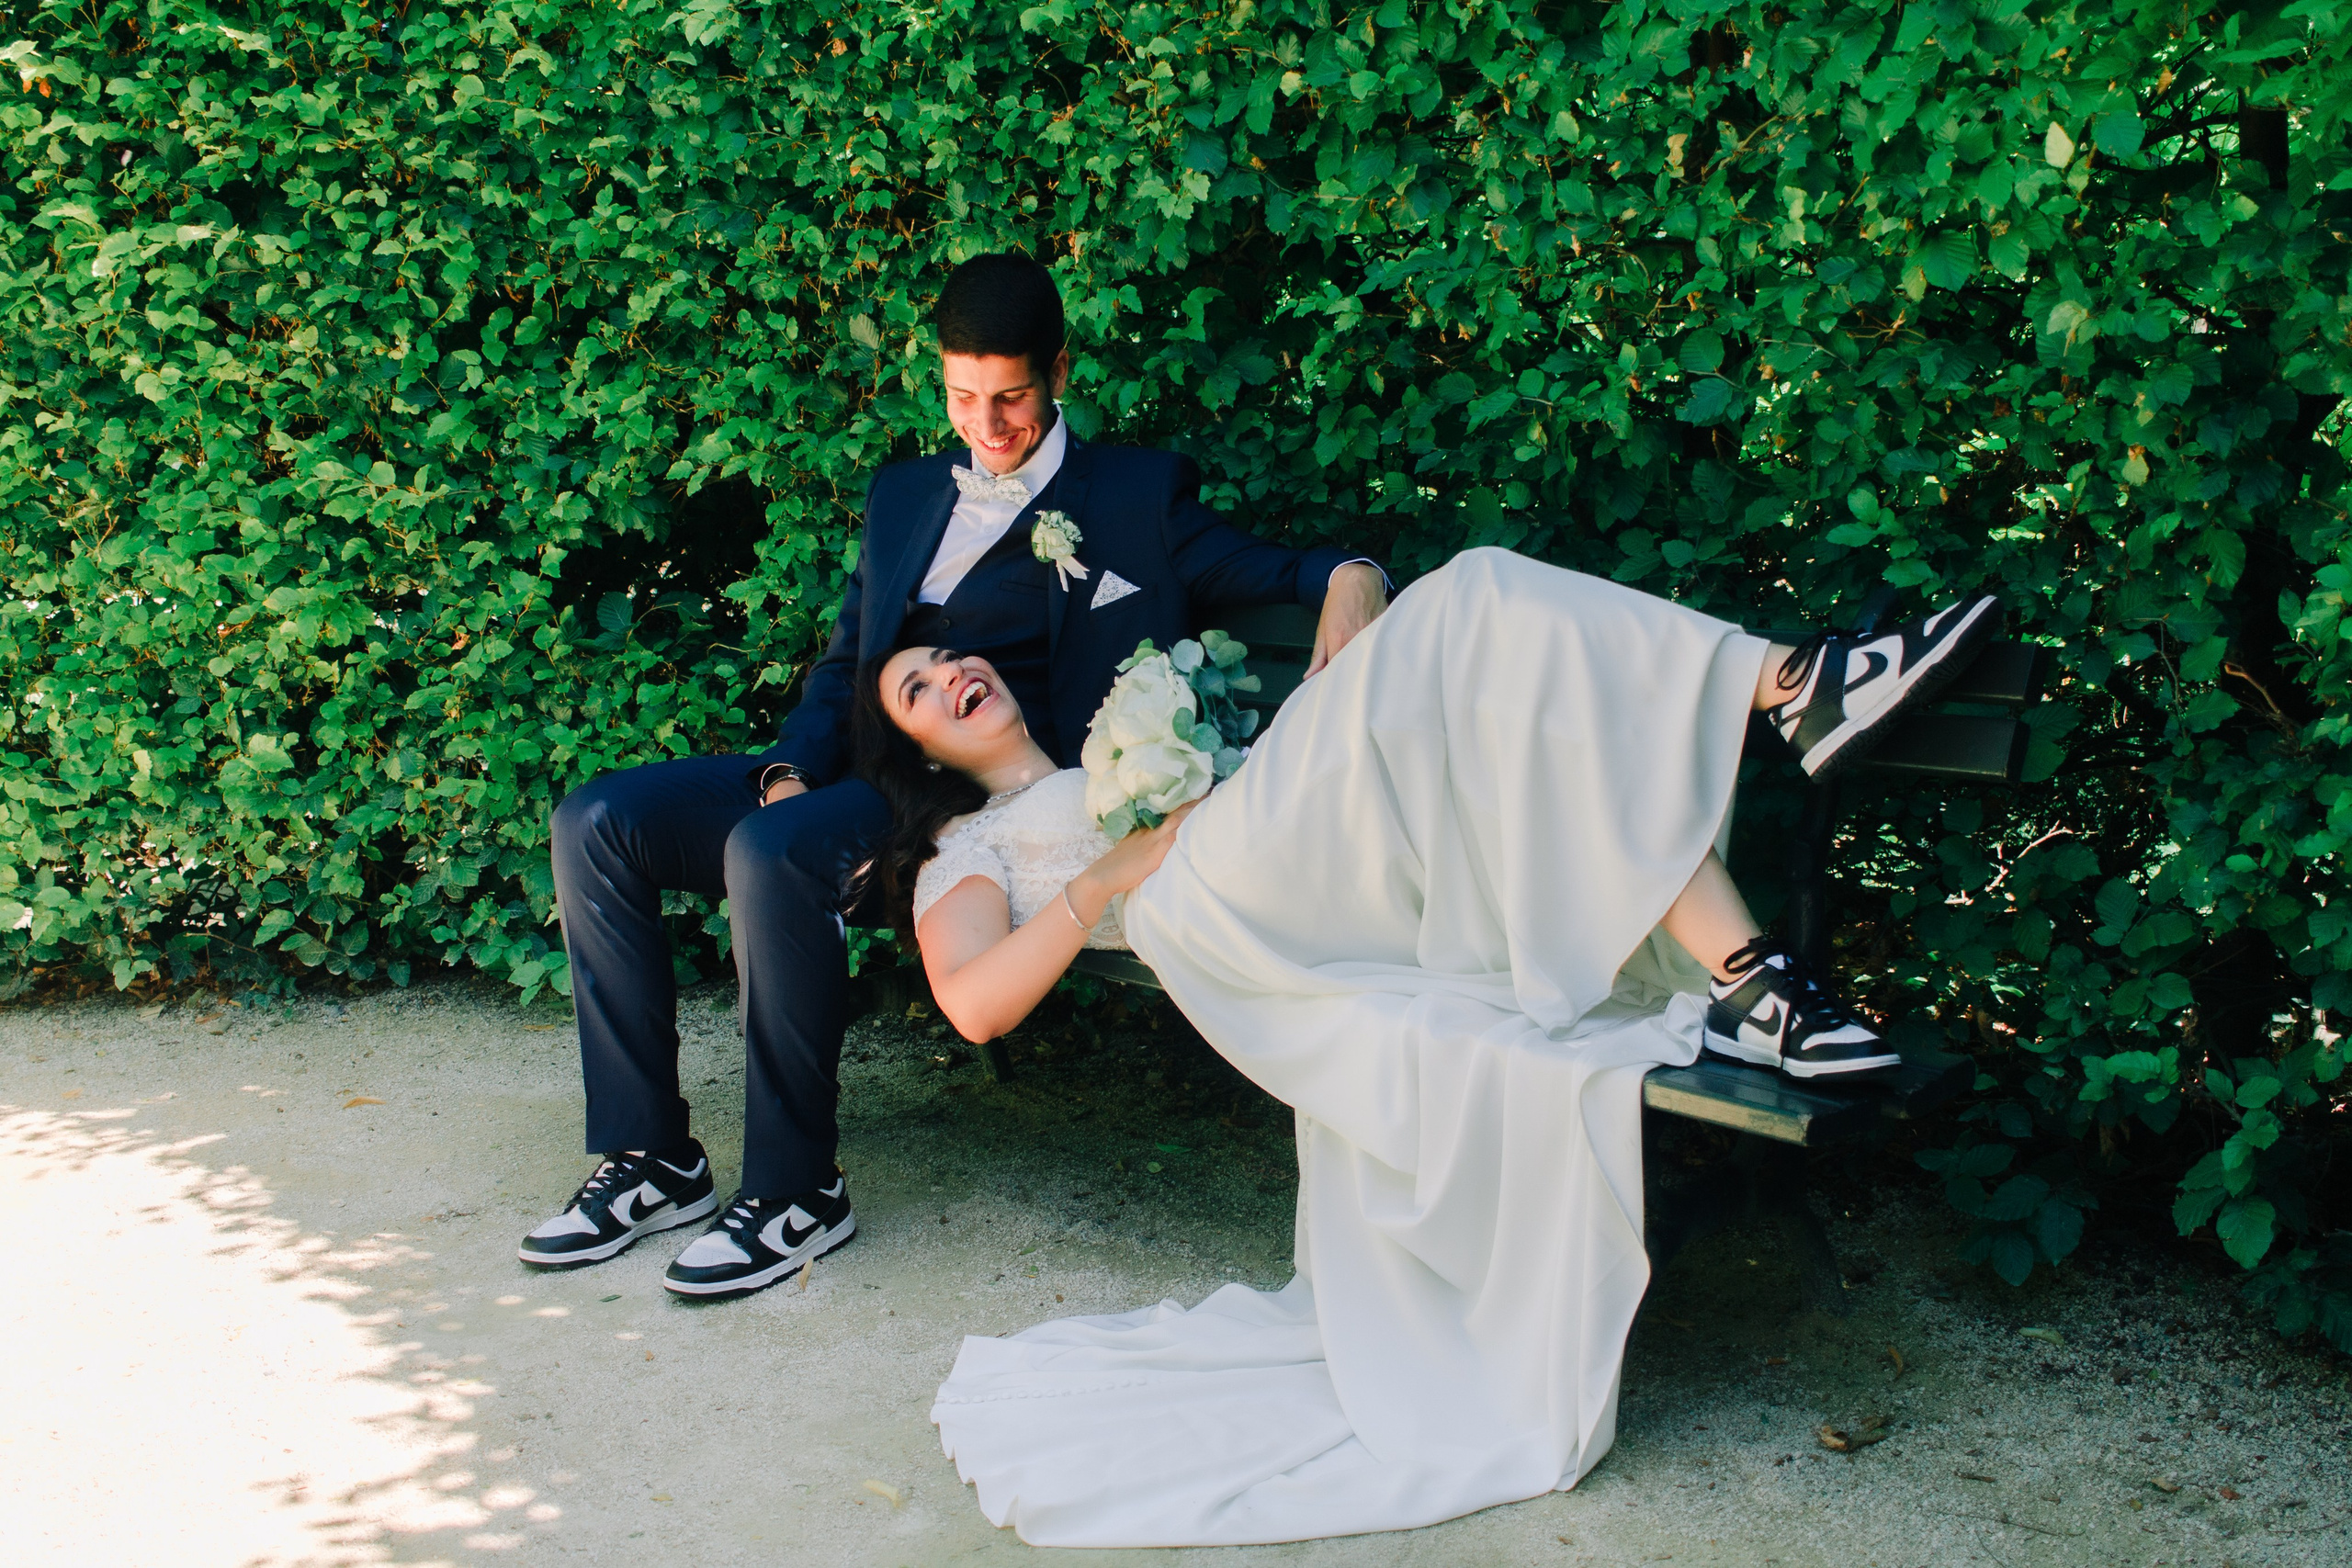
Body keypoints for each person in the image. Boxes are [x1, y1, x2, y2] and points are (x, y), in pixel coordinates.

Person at [855, 548, 2000, 1545]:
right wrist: (1113, 868)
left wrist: (1348, 594)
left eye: (952, 659)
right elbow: (974, 1006)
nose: (953, 674)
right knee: (1474, 593)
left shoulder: (1104, 747)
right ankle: (1795, 685)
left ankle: (1755, 980)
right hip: (1198, 908)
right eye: (919, 686)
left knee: (1513, 693)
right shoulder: (971, 842)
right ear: (913, 747)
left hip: (1282, 860)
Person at [519, 252, 1390, 1296]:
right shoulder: (902, 497)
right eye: (963, 397)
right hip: (846, 771)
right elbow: (847, 658)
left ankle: (798, 1191)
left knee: (770, 853)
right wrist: (790, 769)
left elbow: (1280, 568)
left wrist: (1354, 575)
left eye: (1012, 398)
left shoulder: (1134, 497)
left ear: (1058, 371)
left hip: (964, 796)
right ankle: (654, 1155)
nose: (987, 425)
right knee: (596, 819)